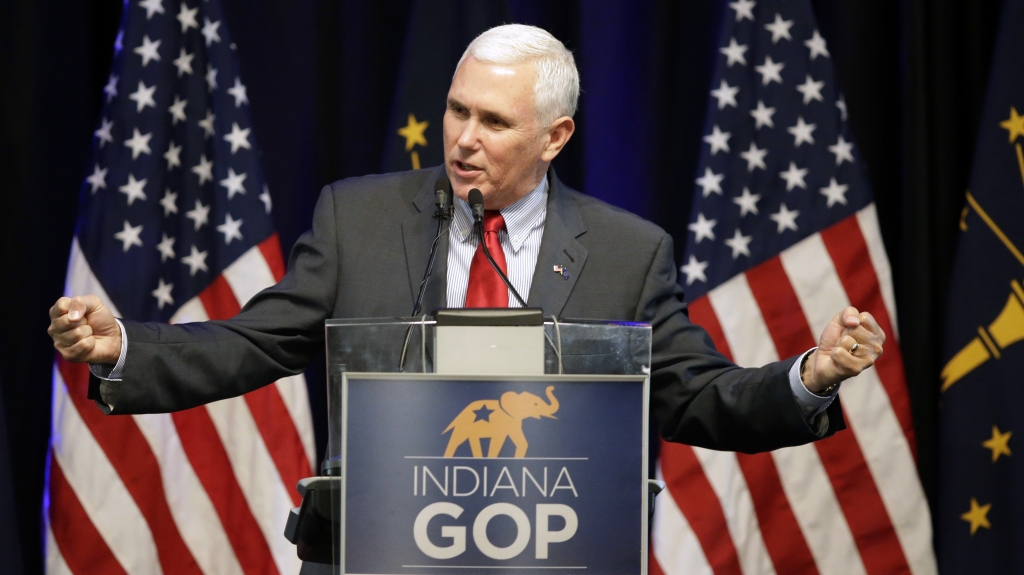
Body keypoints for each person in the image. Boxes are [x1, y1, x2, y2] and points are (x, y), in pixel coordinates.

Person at [48, 24, 884, 453]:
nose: (463, 138)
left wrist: (811, 375)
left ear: (554, 138)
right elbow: (248, 344)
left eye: (493, 120)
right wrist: (123, 344)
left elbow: (699, 398)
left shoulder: (629, 253)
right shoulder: (360, 219)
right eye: (457, 110)